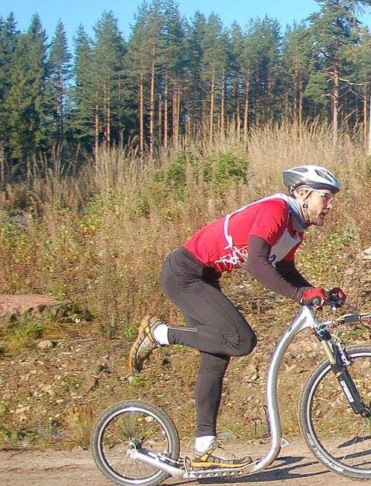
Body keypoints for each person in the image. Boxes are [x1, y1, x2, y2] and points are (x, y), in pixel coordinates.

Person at [128, 165, 346, 469]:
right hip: (185, 274)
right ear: (303, 193)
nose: (330, 204)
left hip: (204, 277)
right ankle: (160, 334)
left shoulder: (294, 231)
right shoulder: (275, 211)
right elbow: (256, 264)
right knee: (241, 339)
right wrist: (300, 295)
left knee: (217, 355)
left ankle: (205, 447)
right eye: (326, 197)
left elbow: (284, 271)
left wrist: (315, 291)